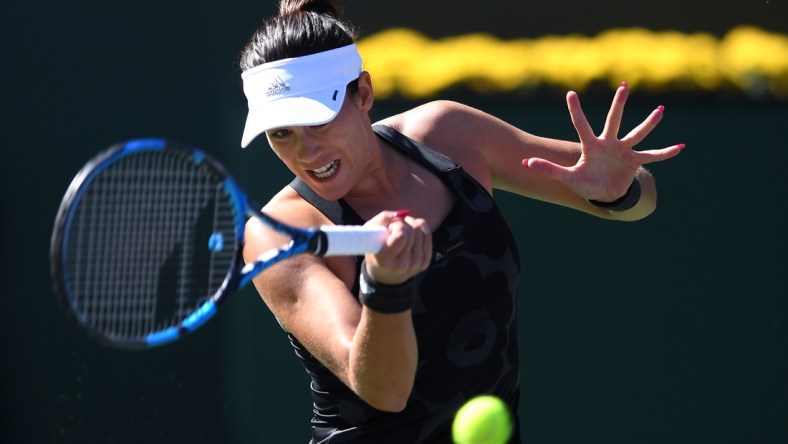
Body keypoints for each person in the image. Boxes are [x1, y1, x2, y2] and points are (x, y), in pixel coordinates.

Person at [238, 1, 683, 442]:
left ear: (365, 95)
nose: (305, 153)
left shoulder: (449, 136)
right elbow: (384, 391)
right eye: (282, 133)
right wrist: (386, 287)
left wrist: (617, 190)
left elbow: (642, 199)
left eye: (318, 122)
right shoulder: (278, 234)